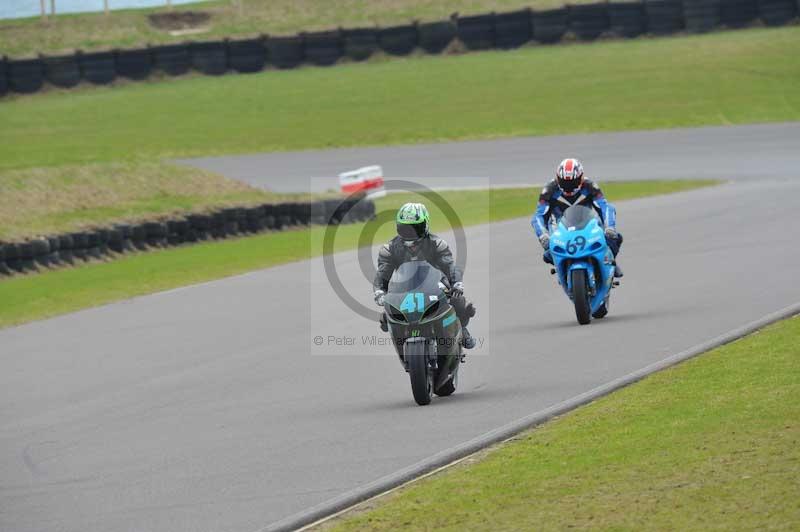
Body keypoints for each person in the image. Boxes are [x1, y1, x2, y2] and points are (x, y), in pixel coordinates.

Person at [373, 202, 476, 349]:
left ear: (425, 225)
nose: (410, 233)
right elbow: (383, 273)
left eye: (416, 228)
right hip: (404, 288)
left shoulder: (437, 244)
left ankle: (463, 330)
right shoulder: (389, 249)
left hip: (436, 285)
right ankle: (401, 344)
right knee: (386, 317)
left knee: (459, 301)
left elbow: (449, 266)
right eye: (405, 228)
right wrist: (379, 291)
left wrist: (456, 283)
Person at [531, 158, 624, 277]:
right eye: (565, 182)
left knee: (614, 238)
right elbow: (538, 216)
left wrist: (609, 227)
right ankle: (562, 271)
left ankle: (610, 262)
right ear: (558, 179)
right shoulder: (549, 190)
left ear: (580, 178)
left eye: (572, 182)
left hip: (588, 223)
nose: (568, 187)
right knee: (548, 255)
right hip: (560, 228)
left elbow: (605, 207)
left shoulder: (590, 187)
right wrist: (543, 236)